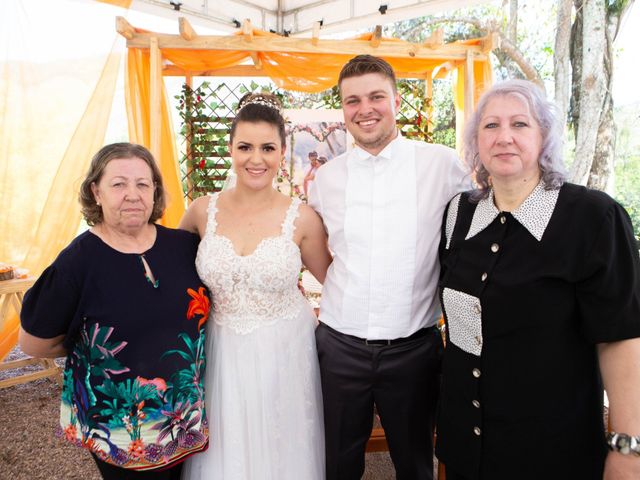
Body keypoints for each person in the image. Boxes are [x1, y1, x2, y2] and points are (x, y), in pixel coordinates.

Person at [436, 79, 640, 480]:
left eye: (520, 124)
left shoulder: (593, 218)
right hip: (467, 445)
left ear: (544, 136)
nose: (504, 137)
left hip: (551, 449)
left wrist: (628, 445)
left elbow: (621, 338)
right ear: (476, 141)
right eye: (490, 126)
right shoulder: (458, 212)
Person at [308, 54, 469, 480]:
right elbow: (322, 253)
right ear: (342, 108)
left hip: (414, 349)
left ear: (397, 100)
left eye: (377, 96)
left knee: (416, 463)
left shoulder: (443, 165)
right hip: (339, 347)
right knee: (337, 463)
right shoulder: (326, 179)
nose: (365, 109)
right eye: (352, 100)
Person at [19, 143, 210, 479]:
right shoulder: (77, 262)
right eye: (119, 184)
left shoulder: (184, 247)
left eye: (142, 184)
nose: (132, 195)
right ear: (96, 192)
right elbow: (35, 343)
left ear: (155, 191)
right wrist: (91, 347)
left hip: (185, 420)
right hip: (120, 432)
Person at [179, 93, 332, 480]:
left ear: (282, 152)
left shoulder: (303, 218)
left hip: (285, 352)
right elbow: (172, 278)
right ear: (231, 148)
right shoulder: (200, 211)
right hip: (221, 350)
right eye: (245, 147)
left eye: (267, 147)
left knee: (283, 449)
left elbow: (336, 285)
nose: (256, 158)